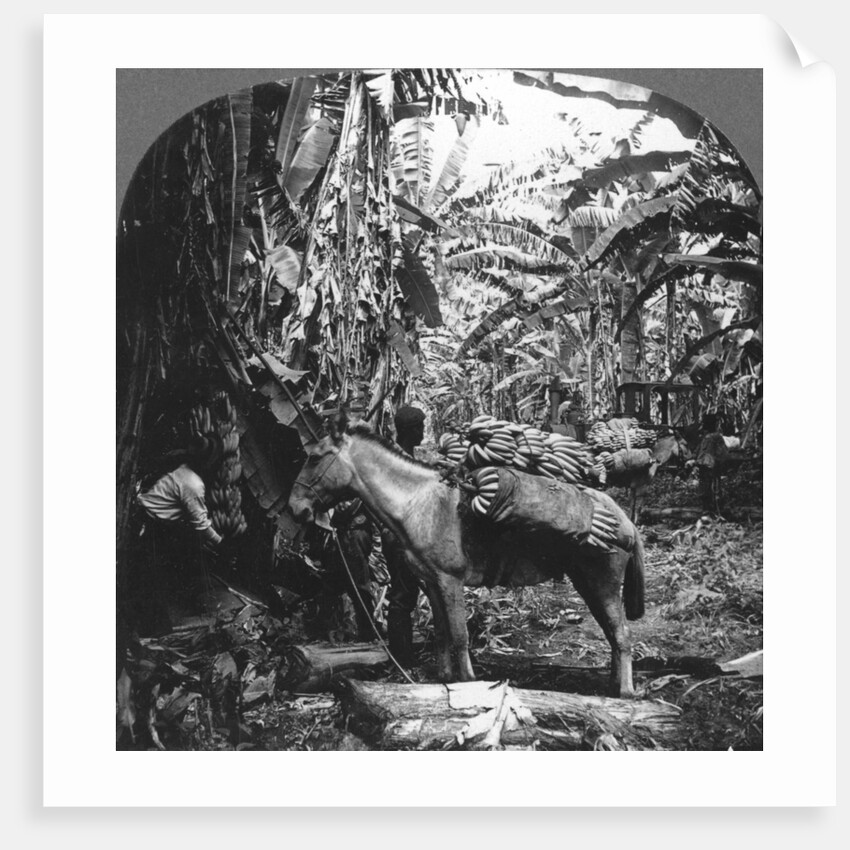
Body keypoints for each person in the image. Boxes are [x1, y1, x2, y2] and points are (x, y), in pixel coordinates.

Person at [129, 435, 225, 635]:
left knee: (148, 577)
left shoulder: (182, 470)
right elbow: (201, 525)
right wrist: (220, 542)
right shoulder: (192, 484)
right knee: (152, 580)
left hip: (146, 519)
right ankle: (154, 632)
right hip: (151, 527)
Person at [381, 405, 426, 667]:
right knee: (402, 595)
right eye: (420, 427)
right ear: (410, 431)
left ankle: (404, 653)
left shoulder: (405, 455)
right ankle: (401, 658)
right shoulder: (396, 460)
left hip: (406, 534)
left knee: (406, 593)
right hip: (399, 536)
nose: (423, 432)